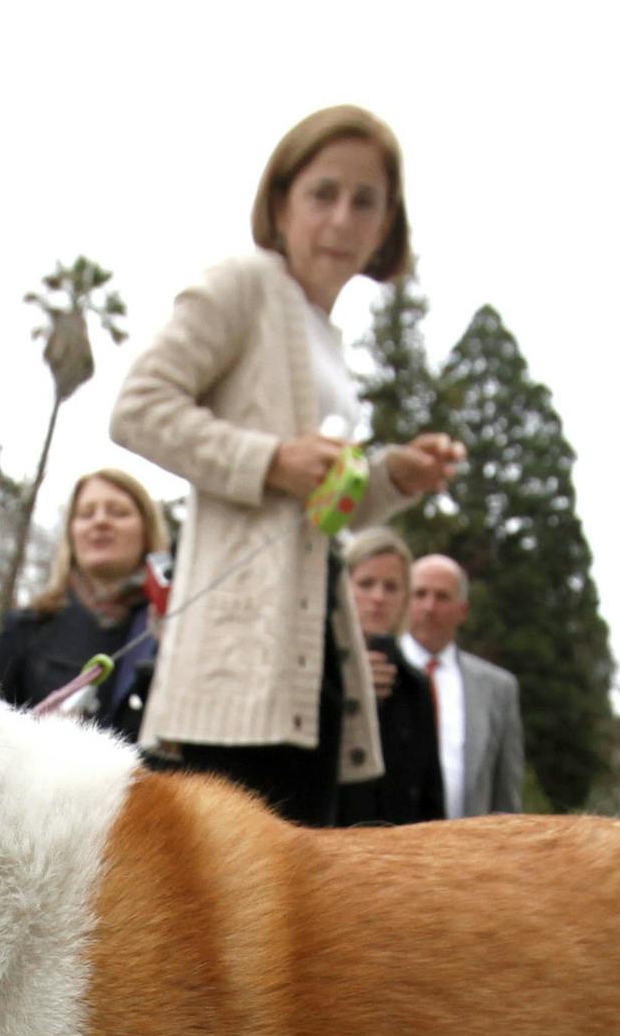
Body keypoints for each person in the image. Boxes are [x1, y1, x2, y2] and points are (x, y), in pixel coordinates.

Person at [111, 104, 463, 826]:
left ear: (386, 223)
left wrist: (396, 475)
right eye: (323, 193)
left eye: (365, 201)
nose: (342, 218)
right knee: (223, 907)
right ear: (280, 202)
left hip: (313, 669)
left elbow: (323, 509)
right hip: (234, 668)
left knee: (293, 911)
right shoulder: (246, 286)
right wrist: (270, 459)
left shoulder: (330, 342)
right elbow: (137, 408)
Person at [0, 468, 168, 739]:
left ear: (147, 530)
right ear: (71, 533)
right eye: (86, 514)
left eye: (118, 512)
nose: (100, 521)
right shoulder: (26, 627)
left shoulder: (172, 631)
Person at [401, 554, 525, 818]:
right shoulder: (373, 673)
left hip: (467, 850)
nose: (429, 606)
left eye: (442, 596)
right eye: (419, 594)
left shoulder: (497, 689)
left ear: (463, 610)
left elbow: (506, 795)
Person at [335, 527, 444, 826]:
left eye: (391, 587)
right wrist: (349, 688)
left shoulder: (416, 685)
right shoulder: (319, 680)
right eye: (366, 584)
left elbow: (429, 795)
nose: (378, 597)